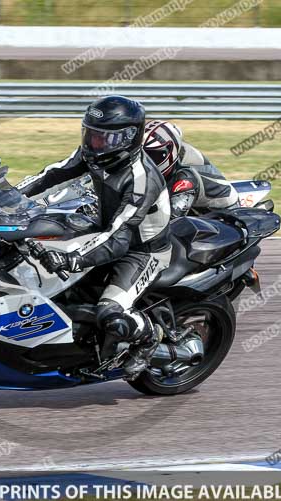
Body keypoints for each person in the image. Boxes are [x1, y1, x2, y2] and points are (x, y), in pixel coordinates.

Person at [17, 95, 171, 377]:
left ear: (128, 138)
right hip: (102, 228)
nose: (94, 143)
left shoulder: (141, 179)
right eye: (91, 134)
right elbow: (51, 175)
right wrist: (8, 196)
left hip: (141, 251)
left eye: (104, 138)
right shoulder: (94, 155)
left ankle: (149, 337)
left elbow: (119, 236)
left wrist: (73, 259)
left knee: (110, 313)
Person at [142, 120, 239, 217]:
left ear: (170, 152)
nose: (147, 161)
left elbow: (173, 219)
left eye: (152, 156)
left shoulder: (185, 179)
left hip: (221, 212)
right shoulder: (175, 152)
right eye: (142, 154)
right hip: (195, 202)